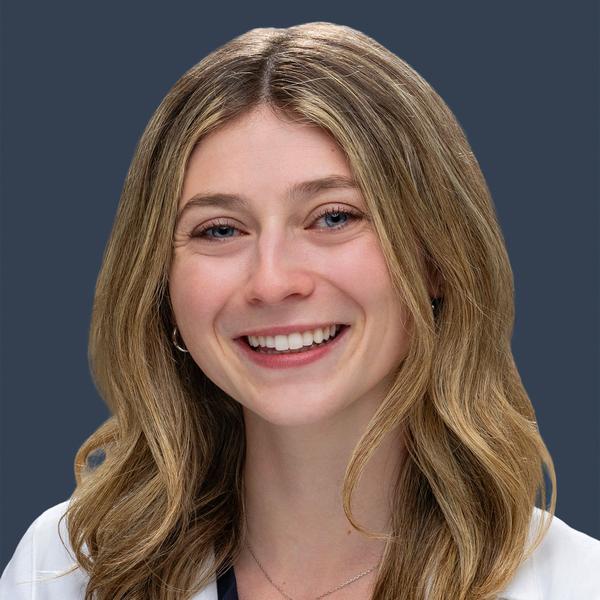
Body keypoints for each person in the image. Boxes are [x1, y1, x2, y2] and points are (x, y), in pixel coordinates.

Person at [1, 21, 599, 600]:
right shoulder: (62, 572)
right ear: (160, 285)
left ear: (436, 258)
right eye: (220, 229)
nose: (271, 282)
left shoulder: (578, 585)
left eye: (333, 217)